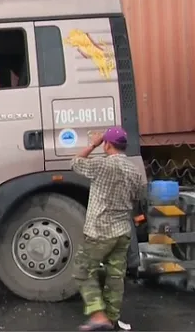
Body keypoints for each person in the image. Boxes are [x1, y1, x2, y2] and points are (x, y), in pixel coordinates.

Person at [70, 127, 145, 331]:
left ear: (107, 144)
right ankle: (111, 319)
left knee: (83, 269)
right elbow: (138, 197)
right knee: (115, 276)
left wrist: (93, 144)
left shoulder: (102, 165)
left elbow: (75, 163)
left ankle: (98, 315)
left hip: (101, 230)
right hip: (122, 230)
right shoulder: (135, 171)